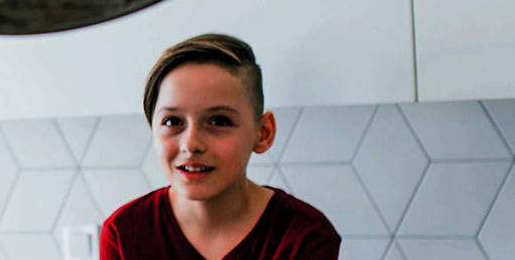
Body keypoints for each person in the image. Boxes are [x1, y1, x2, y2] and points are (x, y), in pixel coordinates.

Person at [99, 34, 340, 260]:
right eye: (172, 121)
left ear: (263, 133)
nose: (191, 144)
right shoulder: (122, 234)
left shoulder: (305, 237)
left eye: (219, 121)